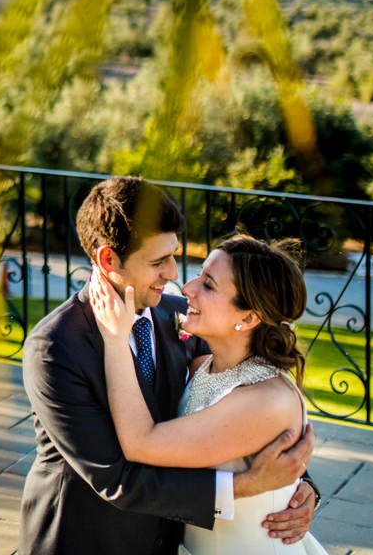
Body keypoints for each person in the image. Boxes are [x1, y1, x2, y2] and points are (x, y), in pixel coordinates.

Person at [19, 177, 318, 555]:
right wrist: (250, 484)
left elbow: (241, 412)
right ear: (109, 259)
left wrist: (295, 484)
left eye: (175, 254)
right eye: (159, 261)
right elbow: (118, 480)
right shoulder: (56, 348)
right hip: (89, 540)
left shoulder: (181, 317)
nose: (176, 274)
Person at [88, 232, 329, 555]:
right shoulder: (205, 364)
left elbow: (140, 443)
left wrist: (117, 341)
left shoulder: (266, 400)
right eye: (200, 275)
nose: (187, 288)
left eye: (209, 285)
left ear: (248, 318)